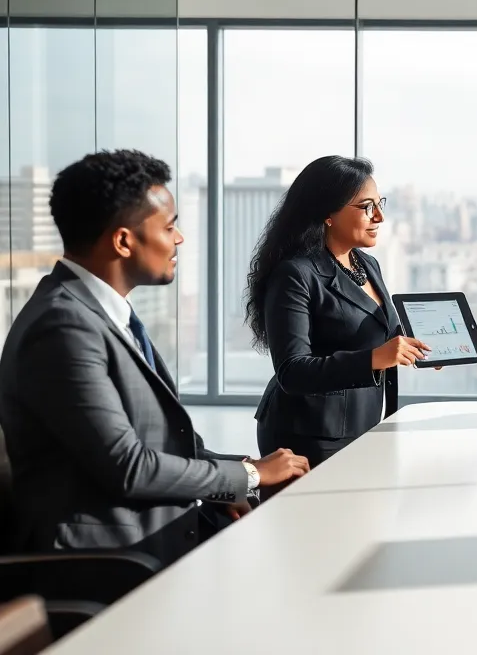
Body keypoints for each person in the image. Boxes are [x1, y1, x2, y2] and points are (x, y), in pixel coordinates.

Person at [0, 150, 309, 567]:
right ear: (123, 240)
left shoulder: (103, 312)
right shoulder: (61, 328)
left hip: (158, 535)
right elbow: (129, 467)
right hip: (107, 562)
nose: (179, 239)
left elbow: (172, 446)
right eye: (169, 226)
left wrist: (239, 477)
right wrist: (250, 476)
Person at [247, 156, 432, 478]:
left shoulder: (365, 264)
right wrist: (375, 358)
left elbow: (373, 330)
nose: (380, 216)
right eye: (366, 207)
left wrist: (417, 347)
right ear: (327, 214)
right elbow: (292, 371)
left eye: (379, 204)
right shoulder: (295, 274)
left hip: (364, 424)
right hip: (307, 434)